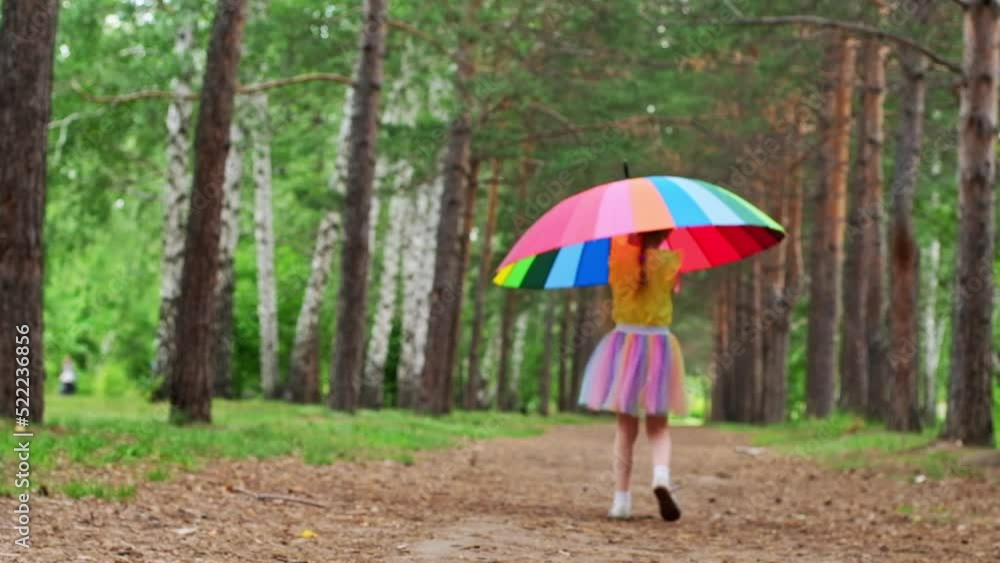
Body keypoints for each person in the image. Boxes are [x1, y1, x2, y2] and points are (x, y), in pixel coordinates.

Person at [578, 229, 688, 521]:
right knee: (659, 426)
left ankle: (621, 502)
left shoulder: (618, 257)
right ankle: (661, 476)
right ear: (665, 233)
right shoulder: (670, 262)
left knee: (625, 428)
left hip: (624, 343)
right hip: (659, 345)